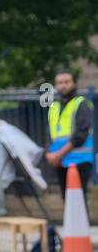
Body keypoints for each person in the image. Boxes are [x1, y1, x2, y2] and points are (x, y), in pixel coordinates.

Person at [44, 70, 93, 216]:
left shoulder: (82, 104)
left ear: (74, 83)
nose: (63, 86)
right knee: (67, 198)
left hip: (79, 160)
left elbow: (80, 135)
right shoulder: (54, 107)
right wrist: (50, 154)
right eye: (60, 82)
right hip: (60, 161)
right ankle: (72, 233)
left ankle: (81, 234)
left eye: (67, 82)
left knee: (78, 198)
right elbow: (52, 134)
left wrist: (58, 154)